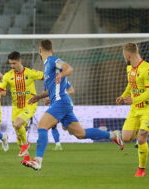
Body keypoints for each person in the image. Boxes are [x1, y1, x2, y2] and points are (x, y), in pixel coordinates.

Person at [21, 39, 123, 171]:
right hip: (62, 103)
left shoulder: (52, 60)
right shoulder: (47, 68)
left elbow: (69, 68)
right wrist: (38, 97)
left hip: (61, 102)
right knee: (81, 134)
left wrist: (62, 74)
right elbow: (50, 89)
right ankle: (114, 135)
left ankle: (37, 161)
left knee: (42, 126)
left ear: (40, 50)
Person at [116, 43, 149, 177]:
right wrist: (123, 96)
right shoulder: (130, 68)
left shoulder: (147, 69)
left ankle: (141, 169)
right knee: (126, 138)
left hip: (148, 109)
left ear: (128, 55)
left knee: (141, 138)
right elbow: (131, 85)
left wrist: (134, 99)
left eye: (124, 55)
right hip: (135, 110)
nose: (124, 57)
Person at [0, 51, 44, 161]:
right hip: (16, 107)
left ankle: (26, 144)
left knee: (17, 124)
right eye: (10, 64)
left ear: (20, 61)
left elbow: (46, 78)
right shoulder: (8, 76)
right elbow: (0, 88)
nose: (12, 66)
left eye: (14, 63)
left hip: (29, 104)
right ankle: (26, 157)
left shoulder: (30, 73)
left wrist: (47, 93)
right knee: (18, 135)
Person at [43, 80, 75, 151]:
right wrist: (46, 100)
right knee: (52, 125)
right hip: (53, 105)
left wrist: (61, 94)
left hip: (64, 104)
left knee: (66, 128)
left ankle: (73, 129)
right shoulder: (47, 81)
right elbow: (46, 94)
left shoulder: (63, 80)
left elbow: (72, 90)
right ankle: (58, 145)